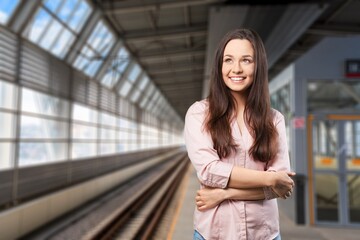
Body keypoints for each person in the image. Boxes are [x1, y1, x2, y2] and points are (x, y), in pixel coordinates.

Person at [184, 28, 295, 240]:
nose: (236, 69)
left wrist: (225, 193)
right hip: (214, 233)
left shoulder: (275, 119)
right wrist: (269, 179)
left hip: (265, 233)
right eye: (228, 60)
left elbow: (281, 186)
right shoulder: (199, 113)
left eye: (246, 60)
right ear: (219, 66)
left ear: (258, 66)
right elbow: (209, 171)